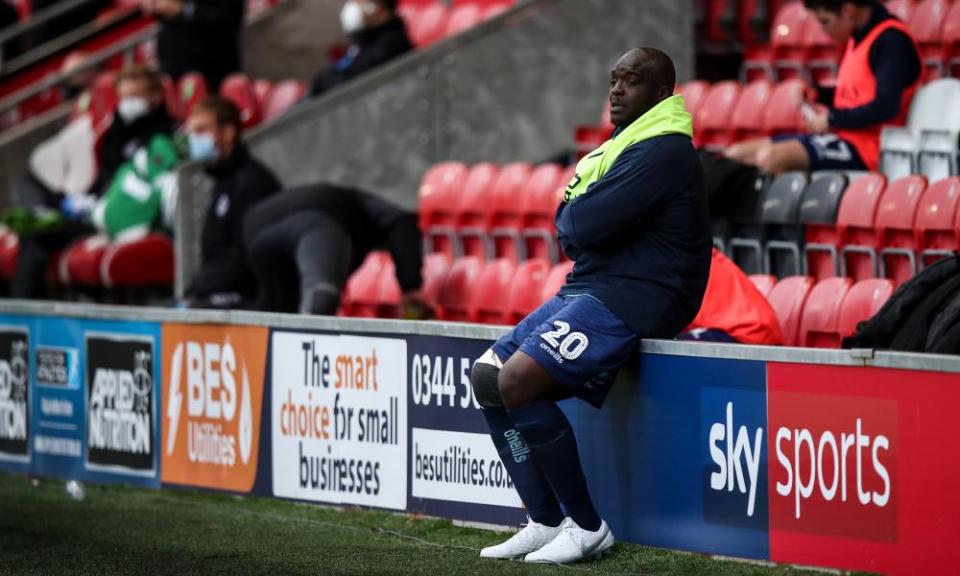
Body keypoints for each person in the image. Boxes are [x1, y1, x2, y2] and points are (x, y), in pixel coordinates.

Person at [471, 48, 711, 564]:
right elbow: (573, 224)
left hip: (639, 293)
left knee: (517, 381)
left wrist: (581, 221)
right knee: (488, 376)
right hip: (592, 285)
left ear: (662, 92)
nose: (617, 90)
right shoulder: (623, 148)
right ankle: (545, 518)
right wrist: (581, 222)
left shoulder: (665, 149)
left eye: (632, 81)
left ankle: (587, 525)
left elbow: (580, 225)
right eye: (614, 79)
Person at [10, 65, 175, 298]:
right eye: (124, 97)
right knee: (26, 184)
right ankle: (42, 213)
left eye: (135, 97)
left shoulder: (162, 137)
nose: (127, 103)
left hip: (114, 216)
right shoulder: (117, 130)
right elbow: (105, 176)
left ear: (156, 97)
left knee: (35, 234)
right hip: (95, 204)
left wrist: (97, 205)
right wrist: (83, 200)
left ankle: (22, 314)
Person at [725, 0, 921, 174]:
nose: (823, 30)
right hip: (843, 139)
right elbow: (857, 95)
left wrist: (832, 118)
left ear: (848, 9)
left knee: (772, 158)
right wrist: (818, 93)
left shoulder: (891, 41)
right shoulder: (858, 37)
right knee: (737, 154)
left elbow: (885, 107)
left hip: (871, 150)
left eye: (825, 21)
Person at [243, 184, 426, 317]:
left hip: (256, 230)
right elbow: (401, 222)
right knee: (320, 301)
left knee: (277, 313)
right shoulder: (363, 206)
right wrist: (411, 287)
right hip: (317, 223)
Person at [183, 96, 281, 309]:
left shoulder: (251, 182)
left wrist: (203, 287)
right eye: (191, 132)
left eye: (202, 131)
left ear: (228, 132)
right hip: (217, 289)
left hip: (249, 298)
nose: (194, 139)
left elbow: (247, 256)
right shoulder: (222, 180)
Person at [679, 248, 783, 345]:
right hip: (753, 332)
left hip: (749, 336)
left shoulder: (686, 257)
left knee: (671, 346)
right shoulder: (694, 252)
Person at [309, 0, 412, 97]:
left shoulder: (391, 42)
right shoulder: (366, 41)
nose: (356, 5)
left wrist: (321, 83)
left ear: (374, 7)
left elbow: (353, 75)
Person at [142, 0, 244, 91]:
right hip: (176, 69)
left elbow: (228, 17)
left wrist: (184, 9)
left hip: (213, 70)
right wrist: (156, 6)